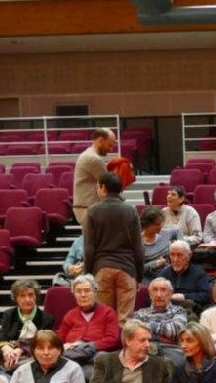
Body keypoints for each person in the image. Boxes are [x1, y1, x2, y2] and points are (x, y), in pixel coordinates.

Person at [83, 172, 143, 323]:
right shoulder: (131, 210)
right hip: (127, 268)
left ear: (103, 188)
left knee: (104, 319)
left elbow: (89, 248)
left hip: (102, 268)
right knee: (126, 321)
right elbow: (138, 247)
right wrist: (139, 275)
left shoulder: (92, 211)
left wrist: (88, 274)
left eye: (98, 186)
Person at [0, 278, 57, 372]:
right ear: (16, 298)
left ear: (36, 296)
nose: (27, 299)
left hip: (31, 356)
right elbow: (1, 338)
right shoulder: (9, 314)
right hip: (9, 353)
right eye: (22, 296)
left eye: (30, 295)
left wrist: (21, 349)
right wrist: (6, 348)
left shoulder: (47, 319)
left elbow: (44, 344)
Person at [58, 273, 122, 366]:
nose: (83, 295)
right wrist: (68, 346)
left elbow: (112, 339)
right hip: (72, 354)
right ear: (74, 294)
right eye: (78, 291)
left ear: (95, 292)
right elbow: (59, 340)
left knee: (102, 357)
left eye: (87, 290)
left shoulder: (108, 312)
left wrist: (87, 346)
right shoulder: (70, 315)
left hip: (95, 355)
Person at [132, 277, 188, 365]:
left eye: (163, 290)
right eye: (155, 290)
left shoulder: (179, 311)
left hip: (171, 350)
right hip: (145, 348)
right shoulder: (139, 313)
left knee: (176, 364)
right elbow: (134, 334)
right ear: (149, 294)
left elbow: (176, 331)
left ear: (171, 293)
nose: (158, 295)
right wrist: (163, 337)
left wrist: (148, 326)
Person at [72, 127, 115, 225]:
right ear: (101, 140)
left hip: (86, 207)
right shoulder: (94, 159)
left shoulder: (88, 154)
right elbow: (109, 184)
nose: (111, 149)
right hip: (88, 208)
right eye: (109, 145)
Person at [159, 240, 212, 311]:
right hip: (167, 311)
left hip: (191, 311)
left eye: (179, 255)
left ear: (189, 255)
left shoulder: (198, 274)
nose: (175, 259)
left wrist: (184, 296)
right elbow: (151, 295)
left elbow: (206, 296)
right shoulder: (164, 274)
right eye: (172, 255)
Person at [139, 205, 178, 282]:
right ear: (146, 225)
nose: (160, 226)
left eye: (161, 223)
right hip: (149, 279)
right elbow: (136, 270)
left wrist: (178, 245)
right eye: (157, 224)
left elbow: (177, 231)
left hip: (170, 276)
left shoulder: (164, 233)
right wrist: (154, 264)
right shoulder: (138, 243)